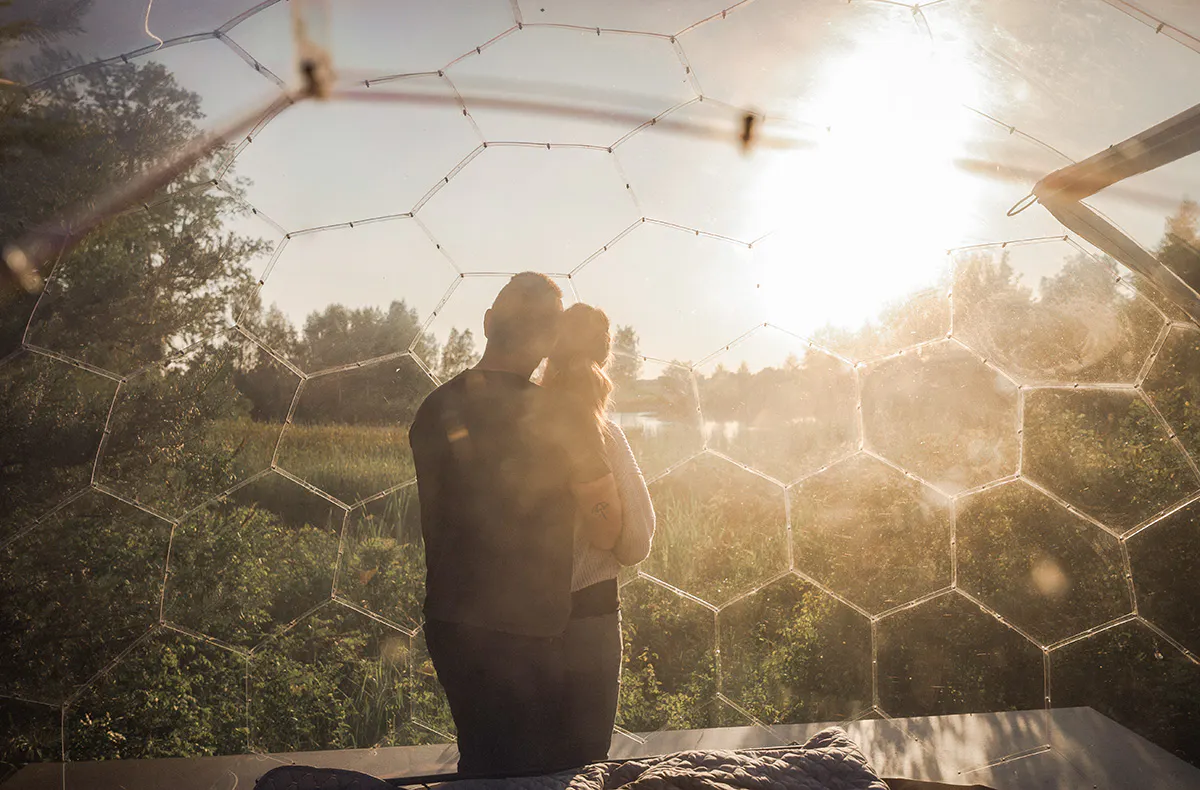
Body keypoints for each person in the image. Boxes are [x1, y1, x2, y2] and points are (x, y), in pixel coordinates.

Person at [408, 273, 620, 777]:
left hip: (453, 625)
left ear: (487, 324)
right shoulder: (559, 416)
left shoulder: (435, 408)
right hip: (533, 634)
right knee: (552, 773)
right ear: (548, 342)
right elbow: (606, 528)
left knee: (485, 763)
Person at [542, 303, 656, 766]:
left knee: (521, 760)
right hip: (590, 618)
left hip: (516, 618)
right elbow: (635, 544)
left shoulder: (516, 431)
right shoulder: (606, 436)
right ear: (604, 357)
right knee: (584, 762)